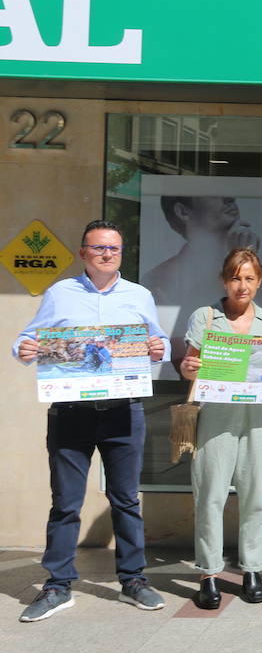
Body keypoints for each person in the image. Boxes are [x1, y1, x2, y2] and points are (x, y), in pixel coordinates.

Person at [12, 220, 171, 622]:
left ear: (121, 254)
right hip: (70, 414)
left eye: (113, 249)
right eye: (98, 248)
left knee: (126, 500)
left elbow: (161, 343)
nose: (106, 254)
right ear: (83, 253)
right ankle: (57, 585)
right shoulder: (59, 293)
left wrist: (158, 348)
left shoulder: (140, 295)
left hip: (124, 411)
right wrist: (25, 348)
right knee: (65, 503)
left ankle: (134, 580)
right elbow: (27, 338)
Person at [178, 248, 262, 610]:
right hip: (216, 417)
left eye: (249, 278)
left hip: (259, 419)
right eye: (236, 277)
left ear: (259, 282)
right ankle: (208, 573)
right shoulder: (206, 317)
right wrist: (189, 368)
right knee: (211, 496)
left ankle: (252, 568)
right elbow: (188, 365)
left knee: (254, 496)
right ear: (225, 280)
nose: (242, 285)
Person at [143, 195, 262, 372]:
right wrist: (189, 367)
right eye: (214, 194)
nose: (229, 198)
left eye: (250, 279)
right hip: (213, 395)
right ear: (182, 211)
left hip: (255, 398)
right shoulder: (158, 281)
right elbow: (180, 362)